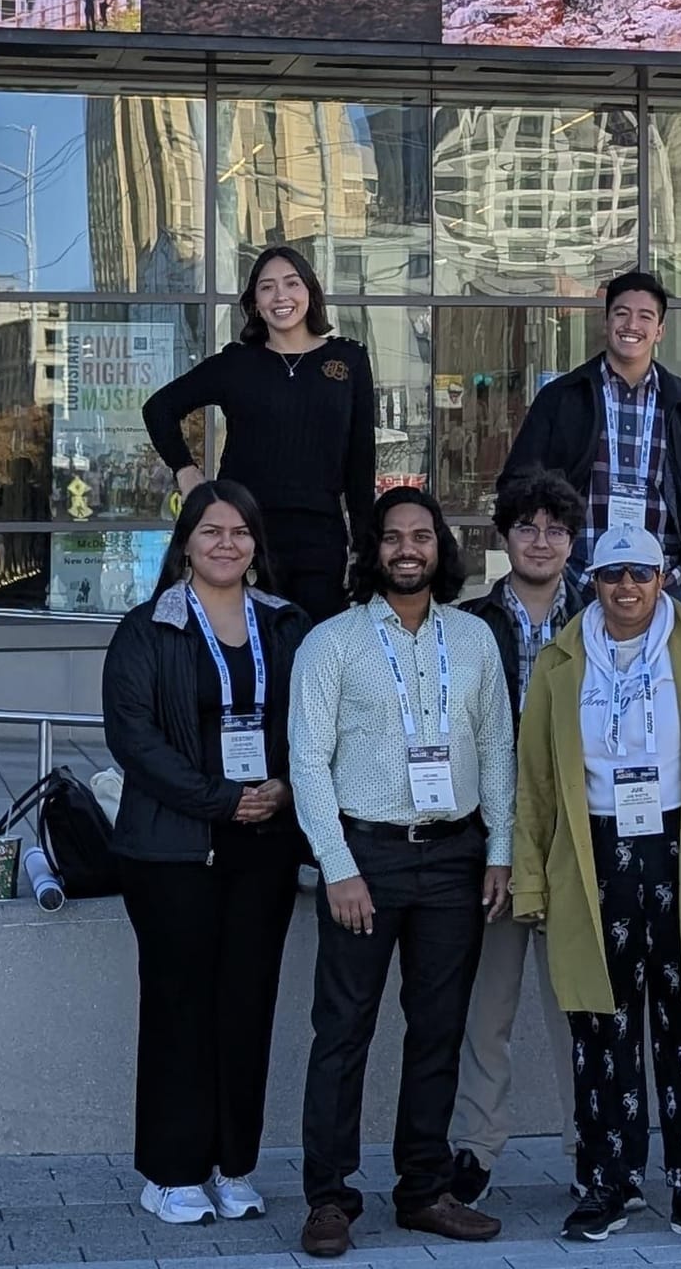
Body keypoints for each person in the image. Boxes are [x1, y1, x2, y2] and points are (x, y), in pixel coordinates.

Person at [512, 522, 681, 1248]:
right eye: (612, 575)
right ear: (592, 581)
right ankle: (609, 1183)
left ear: (663, 580)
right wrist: (531, 881)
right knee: (601, 1030)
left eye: (641, 575)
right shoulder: (561, 659)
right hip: (594, 855)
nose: (627, 588)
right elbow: (532, 785)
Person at [288, 488, 514, 1257]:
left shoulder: (476, 641)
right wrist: (338, 866)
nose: (408, 549)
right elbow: (307, 763)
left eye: (422, 536)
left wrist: (501, 849)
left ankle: (424, 1189)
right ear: (373, 551)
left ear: (441, 550)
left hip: (455, 857)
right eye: (393, 537)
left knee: (438, 1031)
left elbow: (500, 751)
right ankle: (329, 1198)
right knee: (343, 1030)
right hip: (368, 858)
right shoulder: (332, 643)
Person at [101, 480, 311, 1226]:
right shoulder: (145, 630)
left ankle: (232, 1164)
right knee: (179, 1005)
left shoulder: (286, 626)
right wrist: (221, 799)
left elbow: (314, 722)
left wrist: (285, 786)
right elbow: (135, 741)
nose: (227, 543)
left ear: (257, 544)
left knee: (246, 1006)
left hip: (265, 842)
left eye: (241, 531)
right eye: (211, 531)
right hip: (172, 850)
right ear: (185, 542)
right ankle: (170, 1169)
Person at [448, 468, 585, 1204]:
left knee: (581, 1006)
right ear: (505, 536)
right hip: (490, 842)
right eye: (527, 527)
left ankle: (591, 1147)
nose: (540, 541)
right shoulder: (467, 624)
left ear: (572, 541)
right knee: (488, 1008)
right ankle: (476, 1150)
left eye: (555, 529)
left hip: (576, 841)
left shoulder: (602, 614)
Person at [143, 245, 375, 622]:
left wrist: (365, 548)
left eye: (291, 283)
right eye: (267, 287)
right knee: (251, 656)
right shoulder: (238, 364)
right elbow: (158, 409)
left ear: (310, 293)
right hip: (246, 540)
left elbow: (361, 462)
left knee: (316, 655)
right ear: (254, 303)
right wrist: (188, 474)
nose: (281, 296)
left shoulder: (348, 361)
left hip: (321, 540)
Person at [499, 270, 681, 602]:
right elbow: (518, 484)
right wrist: (553, 557)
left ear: (660, 331)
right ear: (606, 322)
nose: (631, 325)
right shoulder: (563, 398)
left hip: (663, 584)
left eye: (645, 316)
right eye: (622, 313)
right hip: (578, 582)